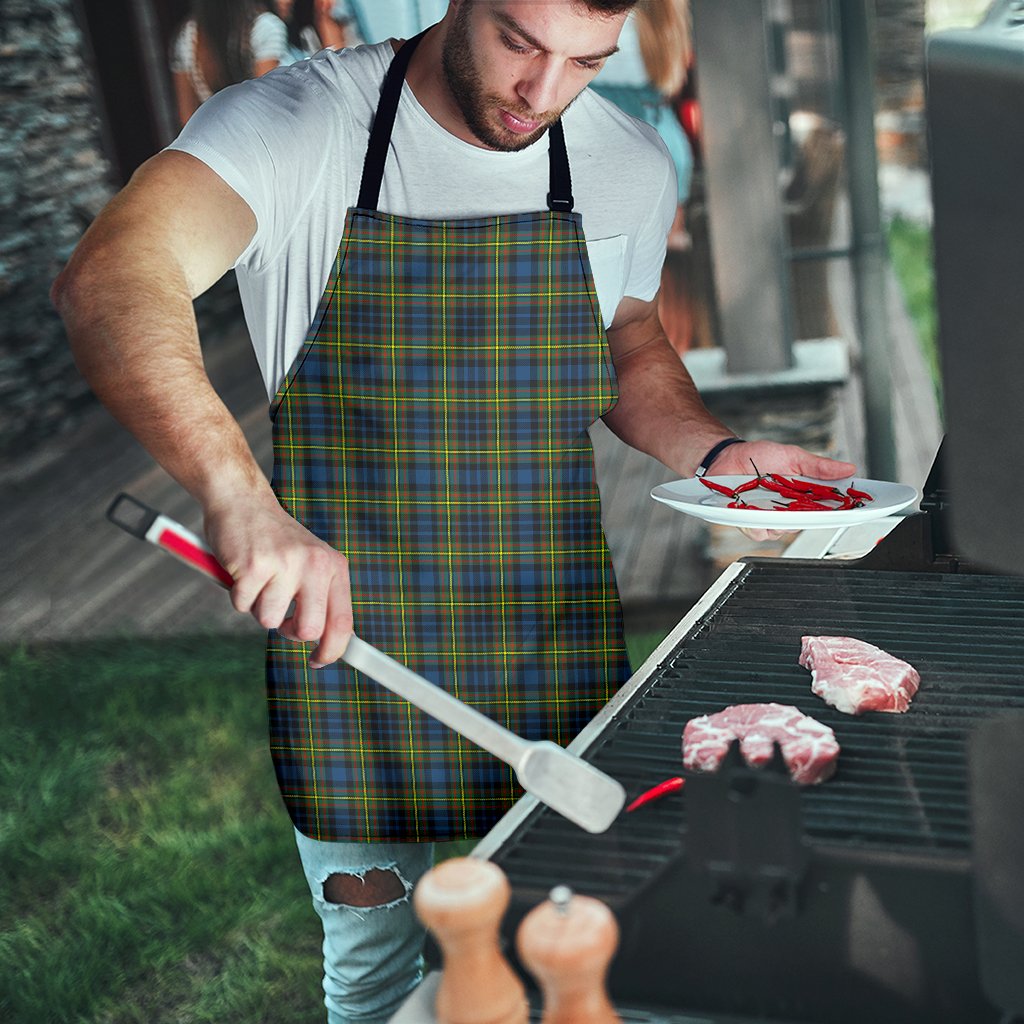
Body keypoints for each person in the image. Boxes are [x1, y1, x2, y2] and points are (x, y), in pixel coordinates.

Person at [53, 2, 855, 1020]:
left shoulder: (624, 160)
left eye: (585, 62)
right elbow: (112, 275)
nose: (543, 93)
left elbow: (627, 335)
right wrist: (238, 497)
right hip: (350, 656)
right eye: (521, 43)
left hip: (549, 636)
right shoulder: (298, 125)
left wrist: (718, 450)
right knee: (380, 976)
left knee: (572, 950)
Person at [170, 0, 289, 126]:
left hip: (216, 138)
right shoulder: (265, 27)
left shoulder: (187, 36)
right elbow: (267, 105)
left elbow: (186, 118)